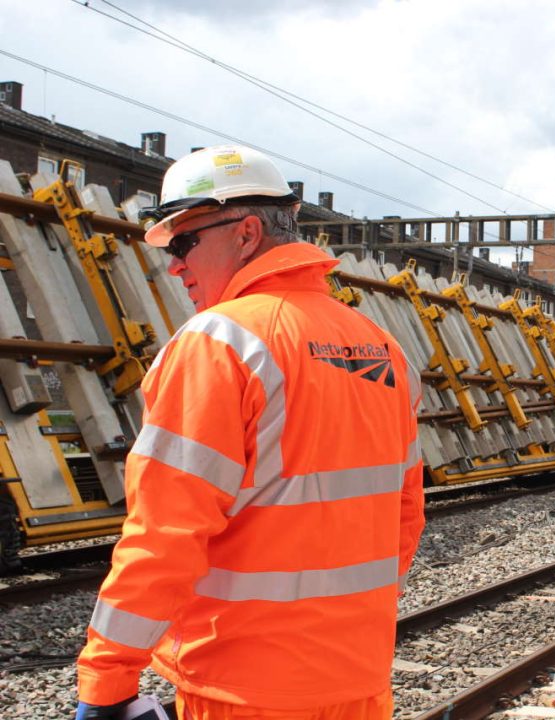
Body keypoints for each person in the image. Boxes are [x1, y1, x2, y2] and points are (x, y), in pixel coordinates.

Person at [74, 145, 425, 720]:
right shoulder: (381, 348)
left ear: (247, 232)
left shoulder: (219, 344)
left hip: (244, 688)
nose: (175, 264)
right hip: (358, 685)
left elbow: (163, 534)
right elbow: (404, 516)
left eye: (184, 242)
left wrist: (107, 678)